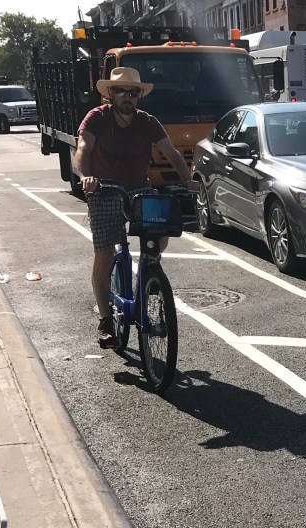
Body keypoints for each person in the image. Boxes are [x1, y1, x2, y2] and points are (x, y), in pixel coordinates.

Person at [74, 67, 201, 348]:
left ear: (139, 96)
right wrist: (86, 178)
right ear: (110, 94)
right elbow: (83, 148)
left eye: (133, 92)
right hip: (104, 190)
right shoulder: (97, 118)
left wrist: (188, 181)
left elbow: (172, 152)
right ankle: (106, 319)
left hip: (137, 188)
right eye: (121, 91)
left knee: (160, 232)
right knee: (105, 254)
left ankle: (150, 273)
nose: (127, 97)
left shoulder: (147, 121)